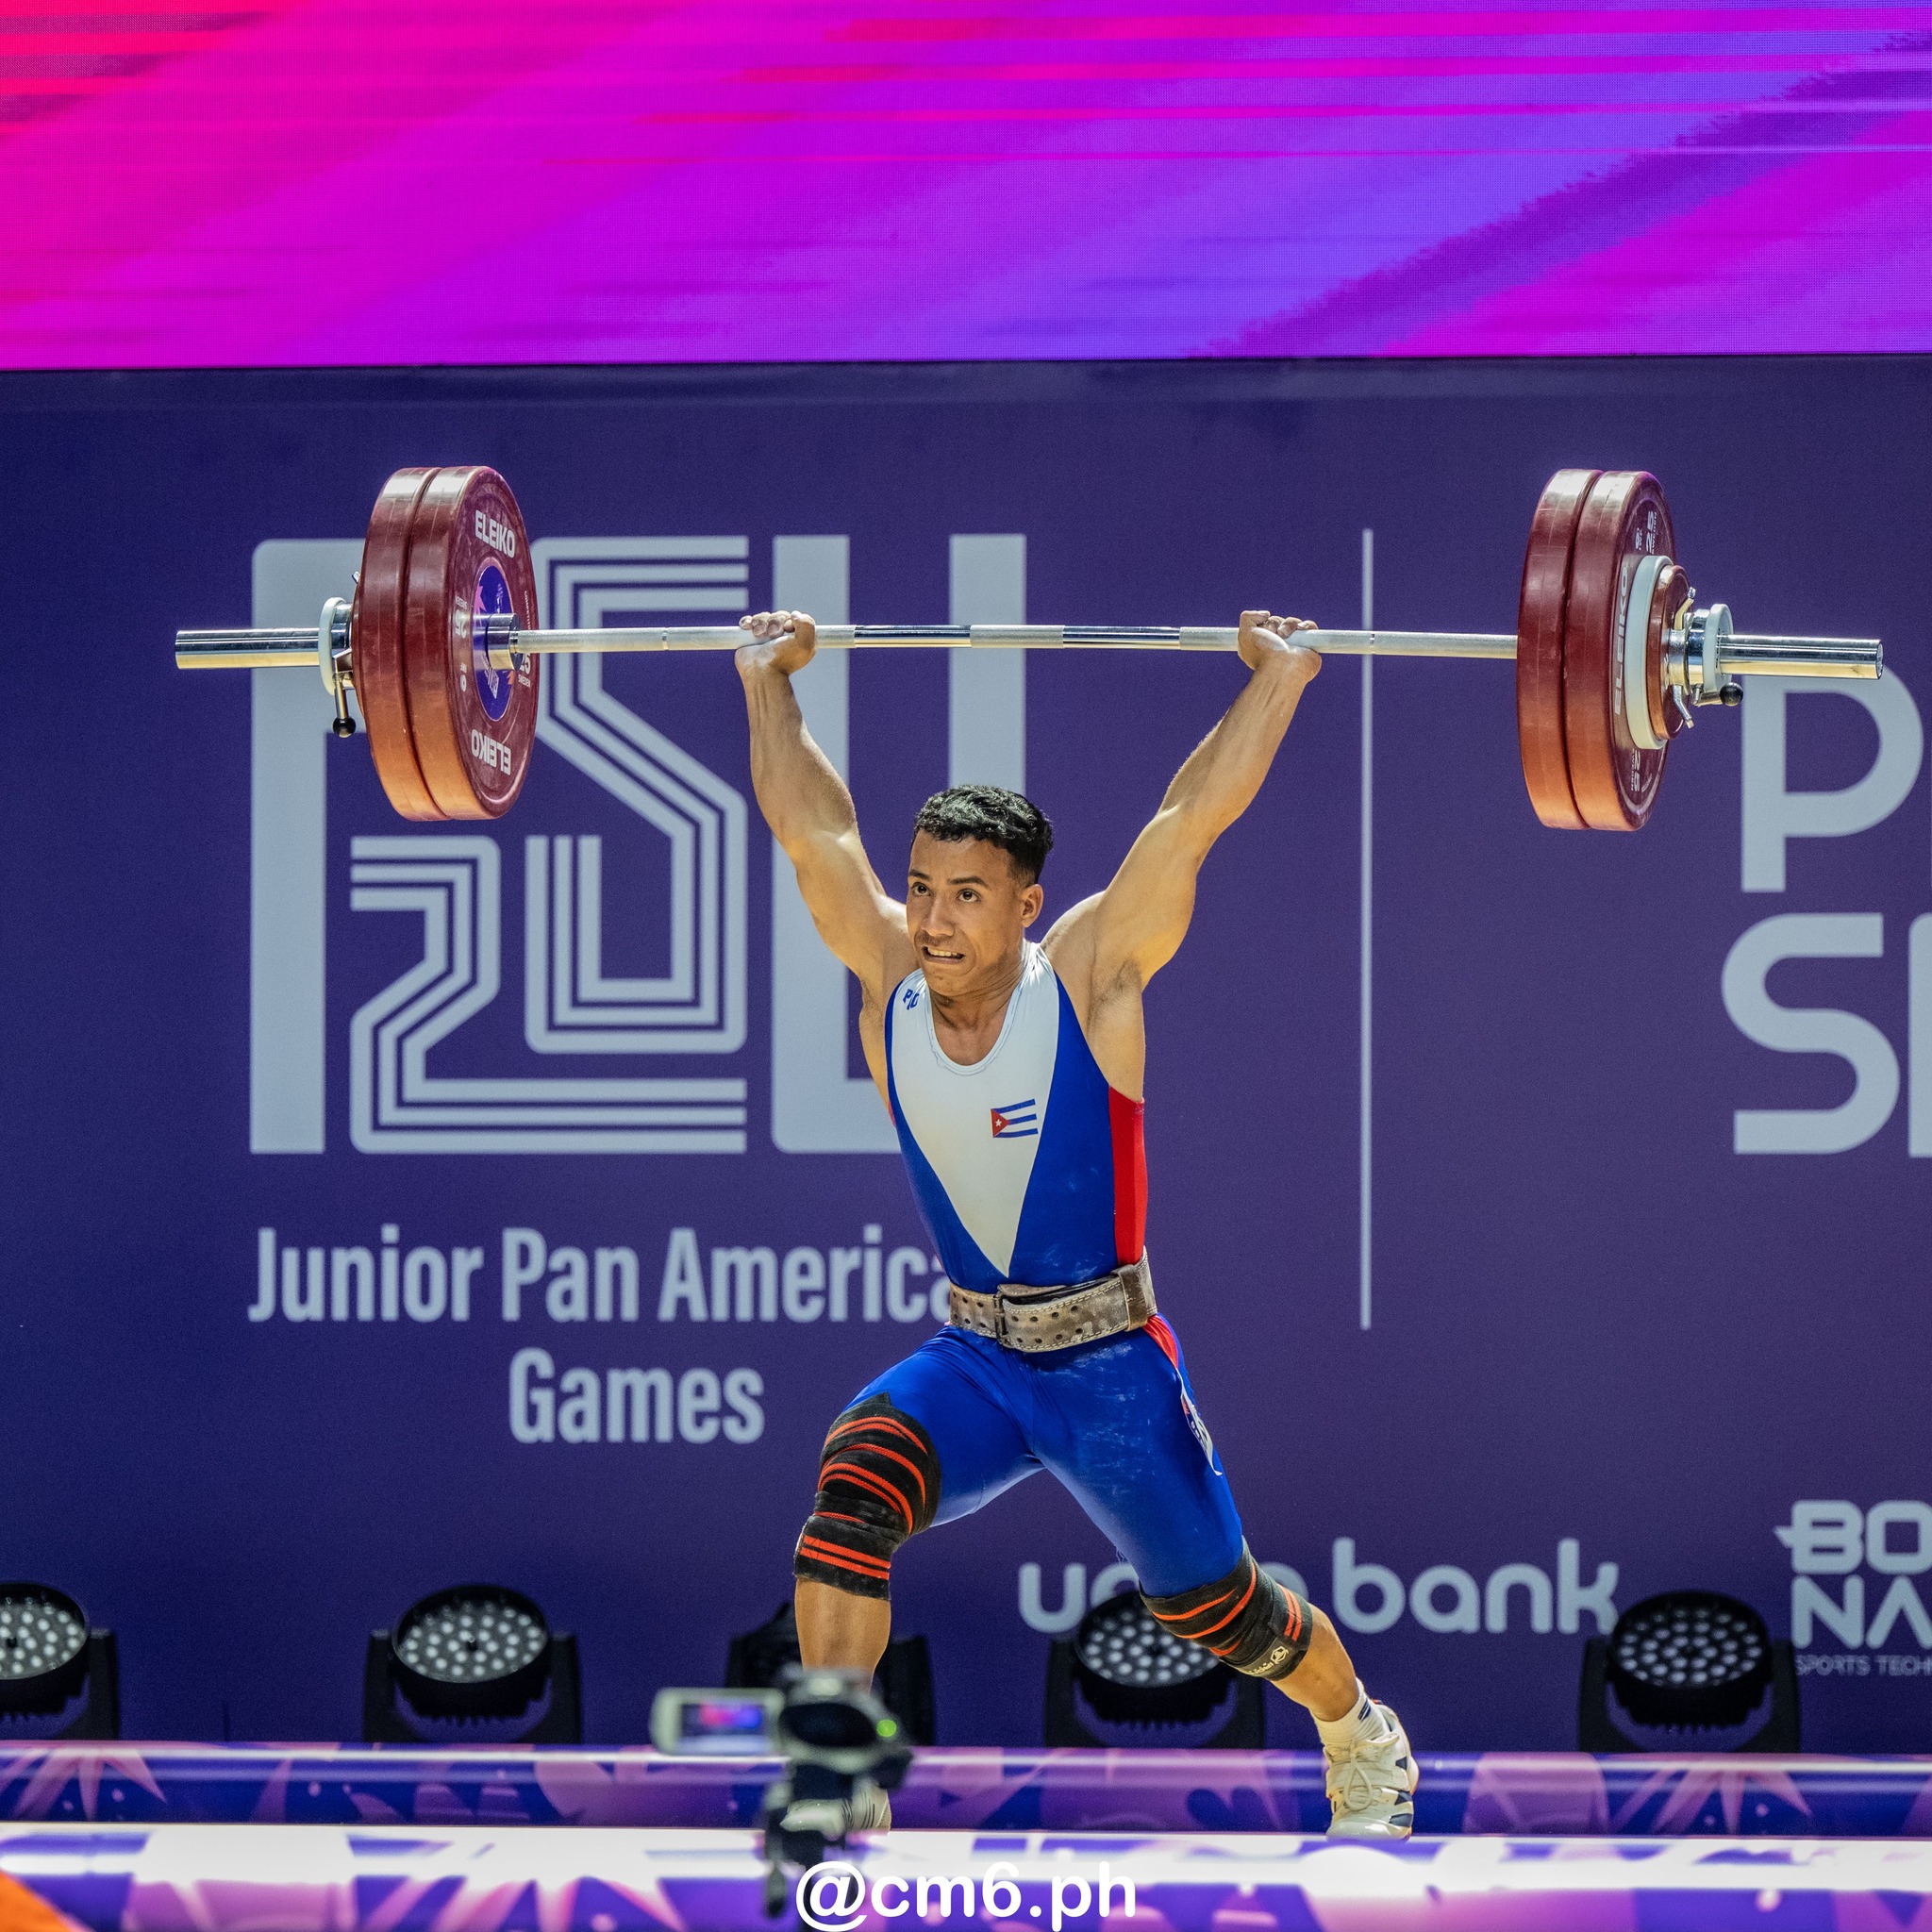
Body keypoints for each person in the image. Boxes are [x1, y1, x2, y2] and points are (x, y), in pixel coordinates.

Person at [736, 608, 1417, 1838]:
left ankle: (1356, 1727)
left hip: (1108, 1367)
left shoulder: (1092, 979)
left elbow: (1190, 823)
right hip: (977, 1360)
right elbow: (809, 827)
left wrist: (1283, 678)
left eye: (967, 899)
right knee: (855, 1484)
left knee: (1226, 1618)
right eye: (923, 892)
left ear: (1027, 903)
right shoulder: (889, 979)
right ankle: (839, 1777)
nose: (935, 922)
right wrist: (763, 679)